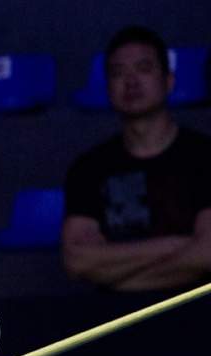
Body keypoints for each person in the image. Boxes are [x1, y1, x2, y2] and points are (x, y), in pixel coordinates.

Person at [63, 26, 211, 291]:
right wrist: (174, 245)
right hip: (114, 313)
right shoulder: (88, 168)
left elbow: (206, 253)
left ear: (169, 81)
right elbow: (77, 261)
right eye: (118, 72)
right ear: (108, 88)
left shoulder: (205, 156)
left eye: (143, 68)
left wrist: (121, 277)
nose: (131, 81)